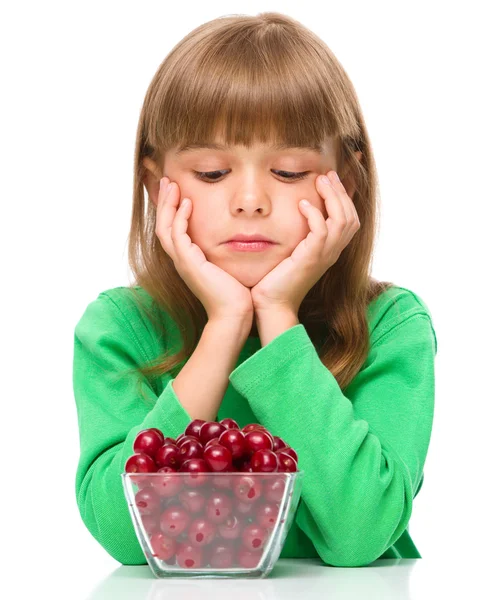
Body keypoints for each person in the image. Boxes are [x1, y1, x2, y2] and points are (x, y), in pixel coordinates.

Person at [72, 12, 437, 568]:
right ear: (155, 184)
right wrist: (224, 328)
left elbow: (360, 533)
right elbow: (128, 537)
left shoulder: (391, 325)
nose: (250, 201)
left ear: (349, 182)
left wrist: (277, 314)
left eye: (288, 171)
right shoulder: (121, 329)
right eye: (213, 172)